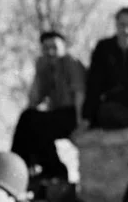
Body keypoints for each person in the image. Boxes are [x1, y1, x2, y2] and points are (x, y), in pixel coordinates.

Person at [11, 30, 85, 179]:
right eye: (46, 48)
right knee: (31, 122)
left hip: (75, 113)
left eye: (54, 47)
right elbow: (35, 100)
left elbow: (80, 94)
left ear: (64, 47)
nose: (50, 52)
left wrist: (81, 122)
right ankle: (42, 169)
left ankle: (18, 166)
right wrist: (39, 73)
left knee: (32, 121)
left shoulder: (71, 62)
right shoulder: (46, 67)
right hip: (58, 115)